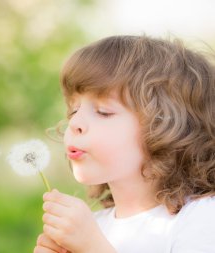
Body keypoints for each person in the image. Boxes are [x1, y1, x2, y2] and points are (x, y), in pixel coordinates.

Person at [34, 35, 215, 253]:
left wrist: (93, 248)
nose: (75, 122)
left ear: (168, 128)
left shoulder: (200, 219)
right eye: (74, 110)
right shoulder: (96, 226)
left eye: (103, 112)